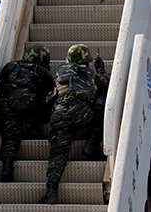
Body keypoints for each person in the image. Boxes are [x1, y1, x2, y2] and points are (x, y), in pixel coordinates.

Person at [39, 44, 110, 205]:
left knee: (57, 153)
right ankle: (91, 145)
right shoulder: (90, 73)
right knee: (104, 110)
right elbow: (106, 82)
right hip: (81, 112)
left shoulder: (60, 72)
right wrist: (101, 69)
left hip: (59, 113)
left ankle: (51, 191)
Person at [0, 44, 55, 182]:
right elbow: (50, 93)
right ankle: (30, 126)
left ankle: (7, 168)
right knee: (46, 100)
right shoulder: (42, 72)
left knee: (11, 137)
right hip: (28, 107)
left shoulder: (9, 67)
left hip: (5, 107)